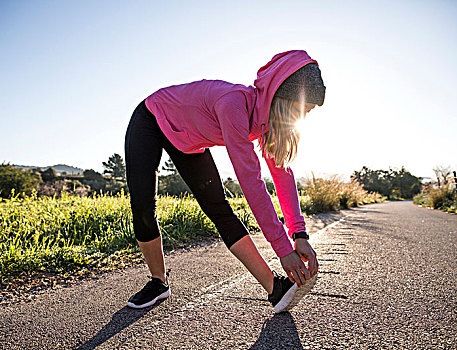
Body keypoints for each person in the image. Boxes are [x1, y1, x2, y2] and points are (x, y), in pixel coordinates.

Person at [124, 50, 325, 313]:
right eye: (304, 109)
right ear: (285, 98)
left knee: (220, 208)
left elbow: (281, 175)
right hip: (151, 118)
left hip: (189, 142)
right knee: (142, 207)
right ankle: (158, 282)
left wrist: (298, 234)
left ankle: (276, 288)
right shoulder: (233, 104)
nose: (303, 117)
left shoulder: (266, 124)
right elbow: (252, 183)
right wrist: (283, 251)